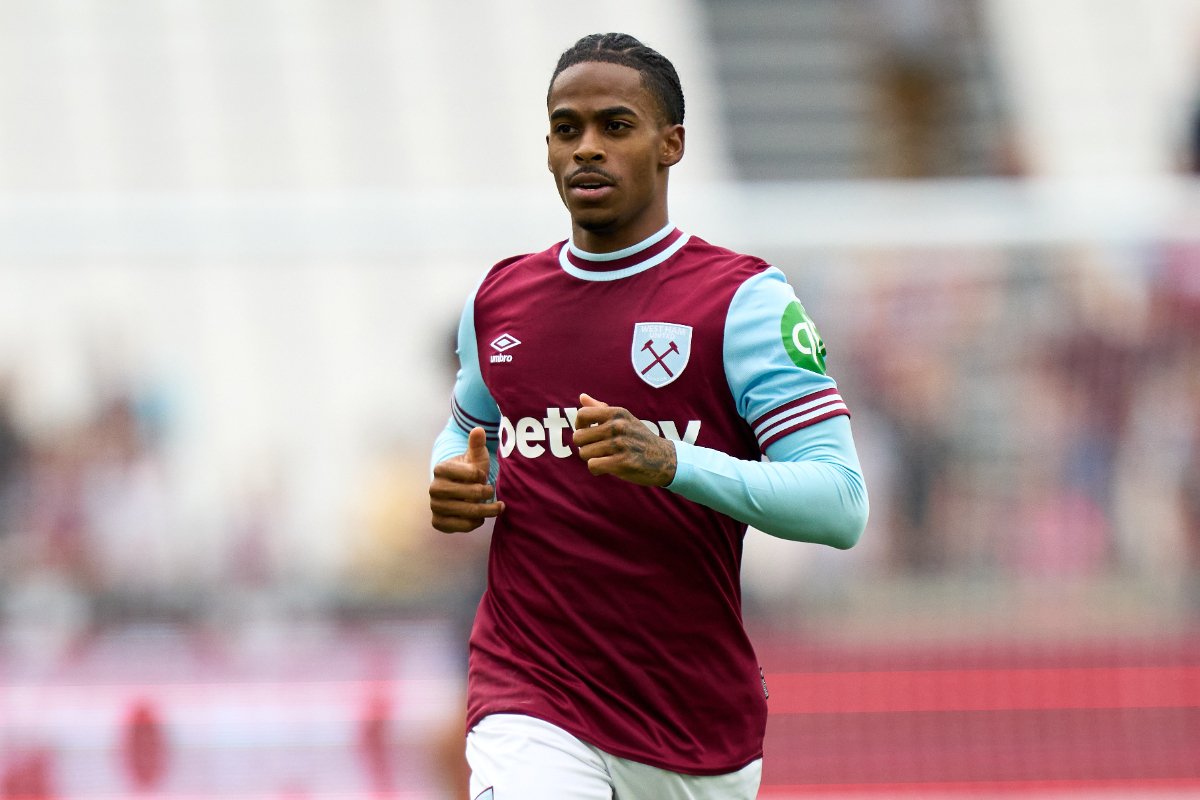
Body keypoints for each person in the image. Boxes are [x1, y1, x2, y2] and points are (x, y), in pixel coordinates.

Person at [428, 32, 869, 800]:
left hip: (691, 721)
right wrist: (454, 477)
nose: (586, 148)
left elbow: (840, 504)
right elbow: (470, 434)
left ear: (672, 144)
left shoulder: (743, 303)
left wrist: (672, 463)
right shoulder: (498, 300)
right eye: (566, 129)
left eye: (615, 126)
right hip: (530, 691)